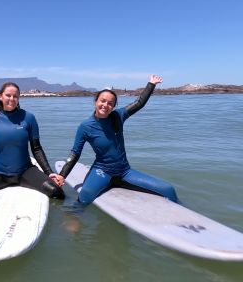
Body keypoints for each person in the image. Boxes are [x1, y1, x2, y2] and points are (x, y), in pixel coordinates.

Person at [55, 75, 179, 206]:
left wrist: (151, 84)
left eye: (110, 103)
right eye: (102, 101)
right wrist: (62, 175)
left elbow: (138, 103)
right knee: (84, 197)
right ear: (95, 102)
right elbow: (75, 153)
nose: (105, 105)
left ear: (113, 106)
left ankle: (178, 212)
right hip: (102, 171)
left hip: (125, 171)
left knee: (168, 190)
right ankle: (75, 217)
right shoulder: (85, 126)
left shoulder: (118, 116)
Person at [0, 82, 65, 200]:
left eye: (15, 96)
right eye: (8, 95)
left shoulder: (28, 117)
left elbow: (37, 148)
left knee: (56, 191)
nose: (12, 99)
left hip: (25, 172)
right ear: (0, 96)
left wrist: (49, 172)